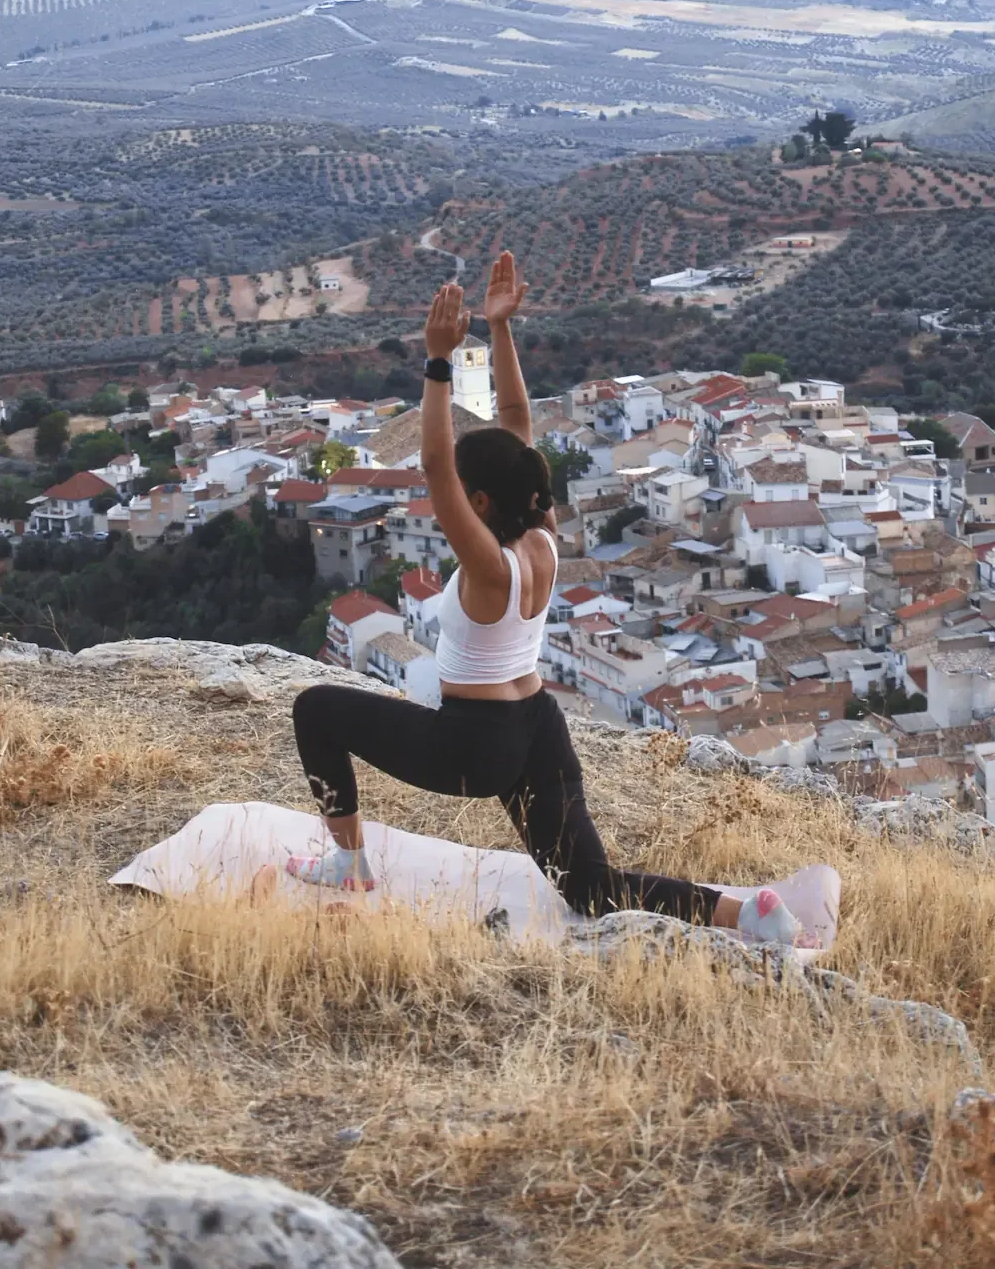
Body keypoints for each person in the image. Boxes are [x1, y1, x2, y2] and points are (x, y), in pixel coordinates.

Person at [284, 252, 815, 947]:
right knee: (589, 888)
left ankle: (350, 863)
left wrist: (438, 362)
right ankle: (746, 913)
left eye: (464, 495)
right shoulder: (542, 535)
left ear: (478, 504)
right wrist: (501, 330)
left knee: (314, 710)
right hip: (538, 725)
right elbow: (514, 422)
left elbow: (436, 464)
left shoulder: (488, 566)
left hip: (472, 746)